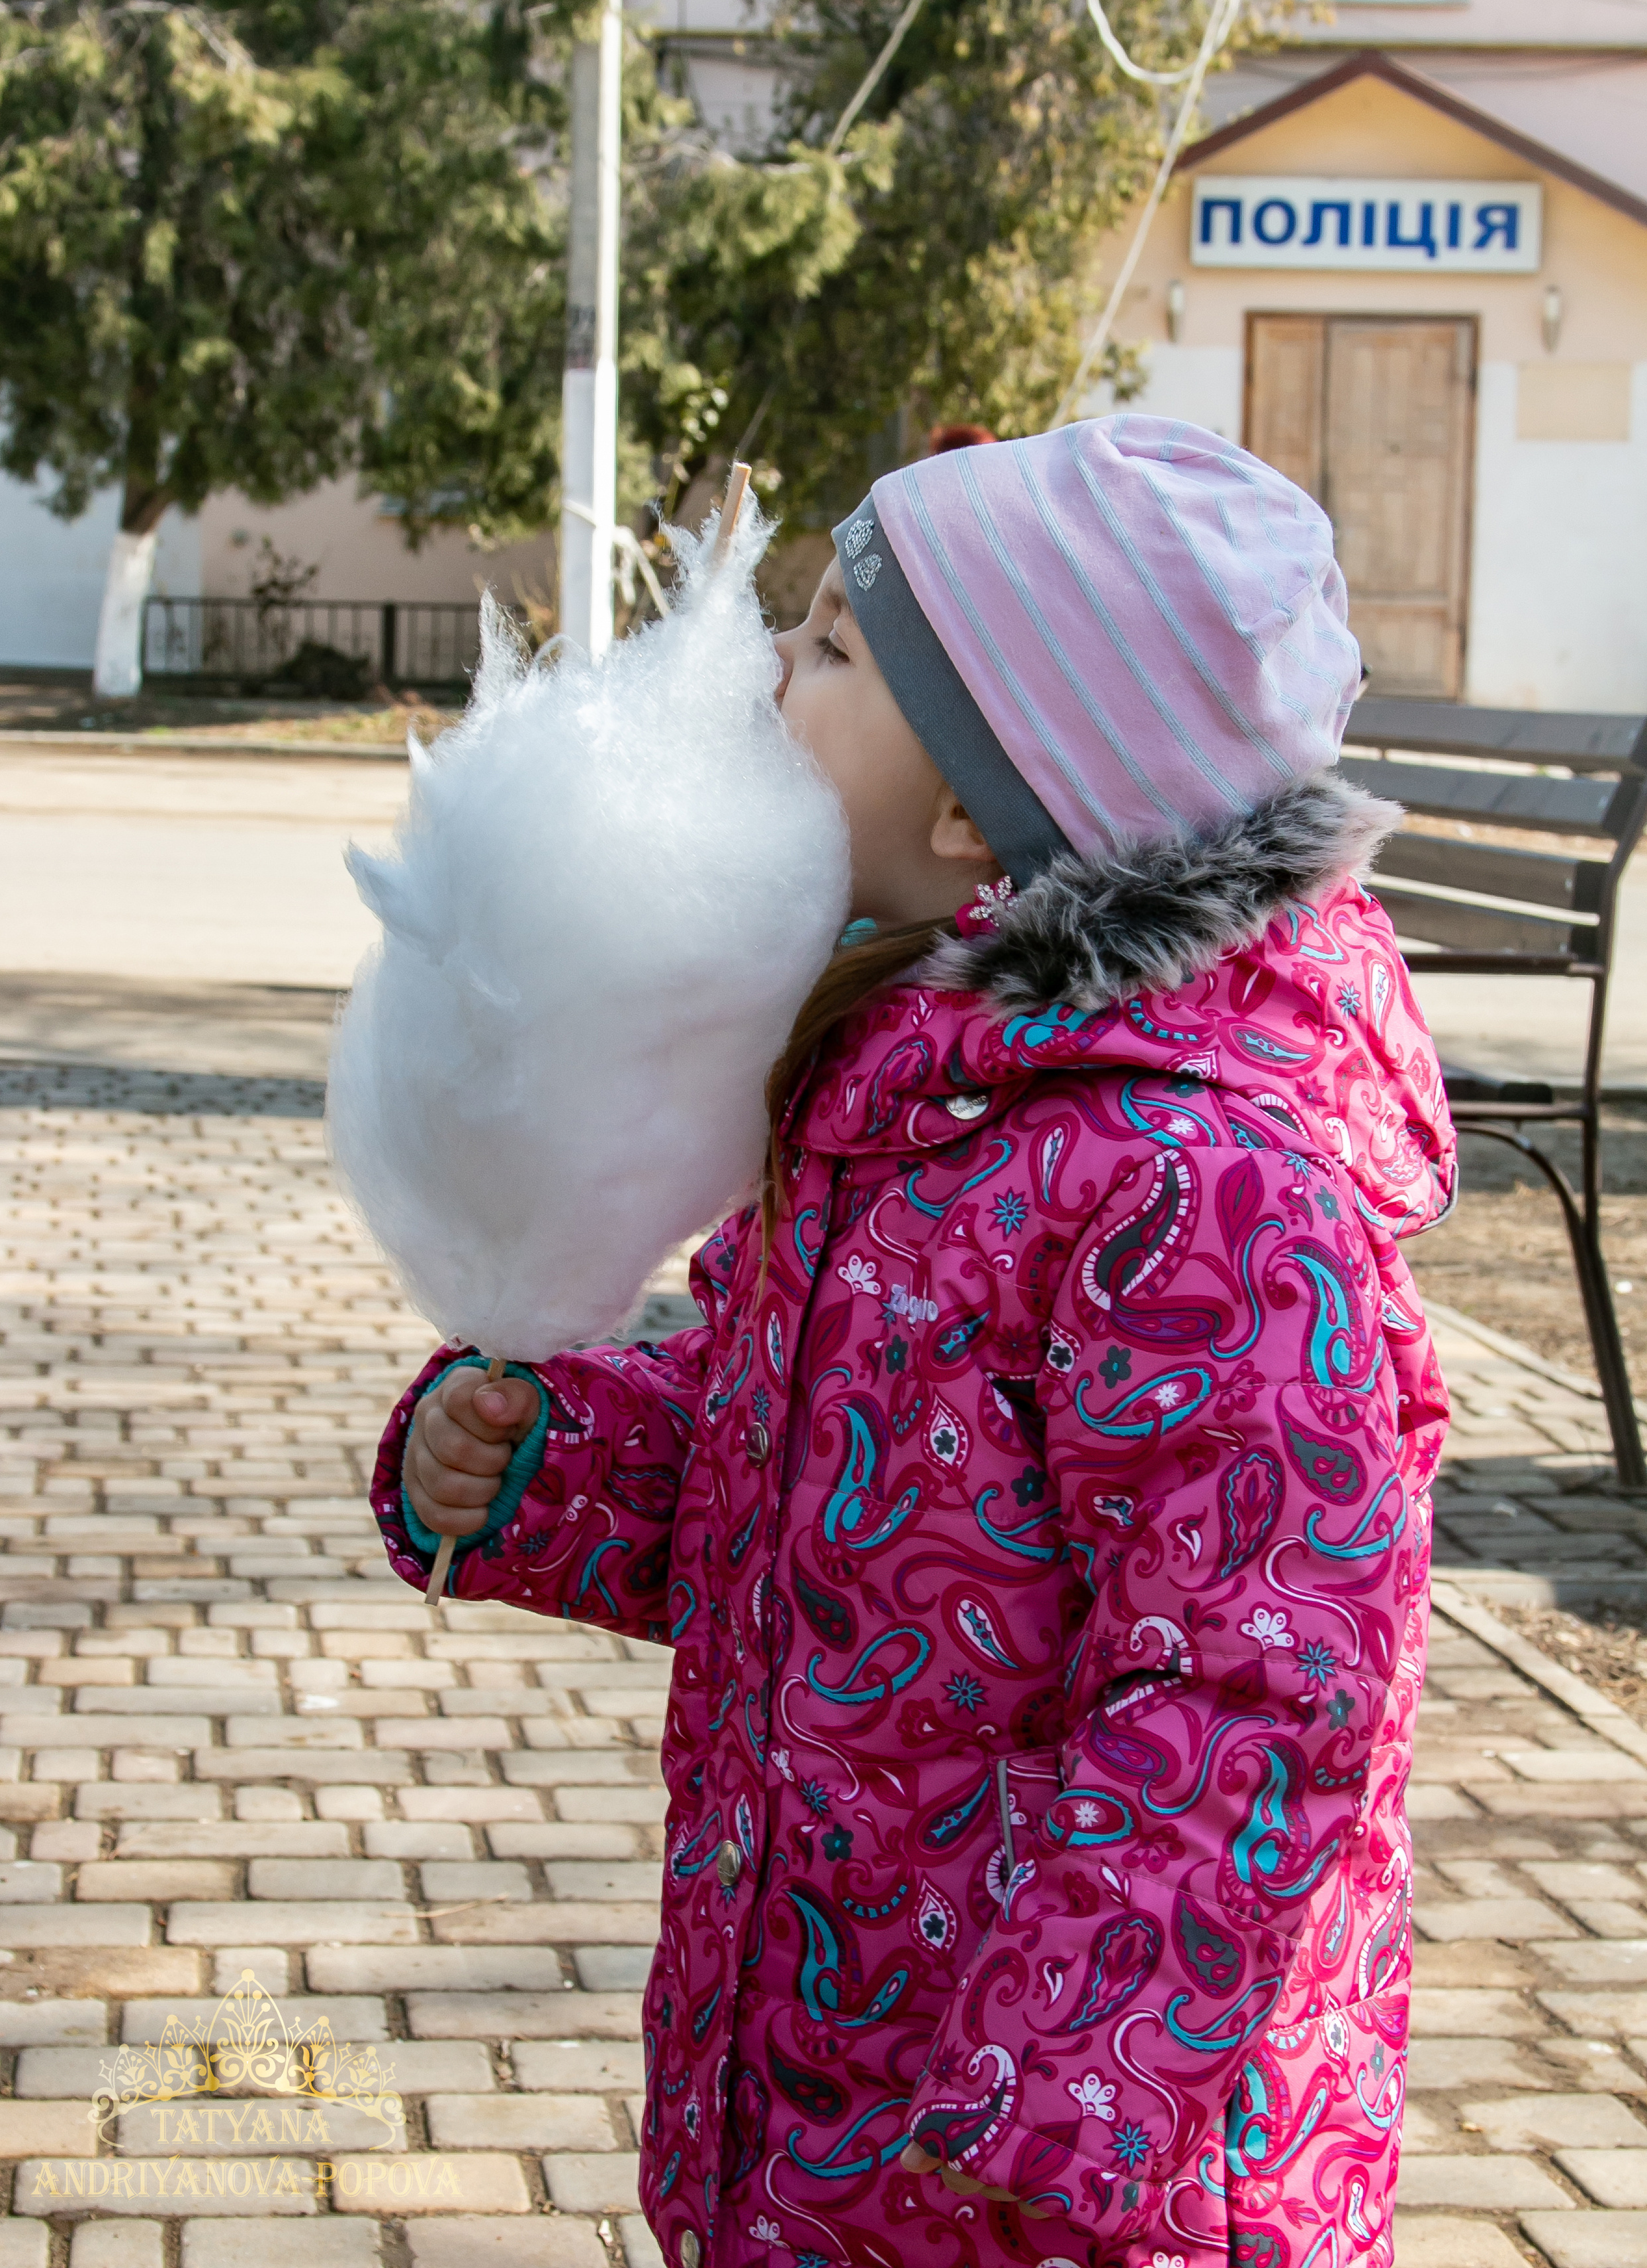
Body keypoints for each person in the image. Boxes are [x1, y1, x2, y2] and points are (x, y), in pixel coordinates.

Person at [372, 415, 1454, 2268]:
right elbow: (789, 1471)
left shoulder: (1200, 1186)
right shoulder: (889, 1095)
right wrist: (551, 1464)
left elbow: (1263, 1685)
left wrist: (1069, 2083)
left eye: (832, 652)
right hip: (821, 2074)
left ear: (973, 804)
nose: (764, 675)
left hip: (1075, 2165)